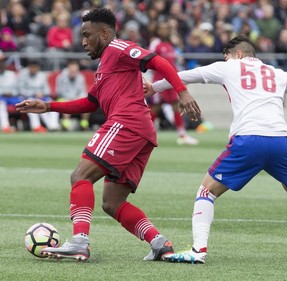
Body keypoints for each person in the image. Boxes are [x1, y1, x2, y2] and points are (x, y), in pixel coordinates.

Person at [143, 35, 287, 264]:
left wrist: (154, 87)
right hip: (282, 141)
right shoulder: (278, 74)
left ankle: (198, 250)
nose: (226, 59)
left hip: (249, 140)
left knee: (206, 191)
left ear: (238, 54)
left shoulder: (228, 67)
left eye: (227, 56)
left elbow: (183, 76)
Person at [16, 8, 201, 262]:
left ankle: (80, 241)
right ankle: (159, 243)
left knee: (80, 175)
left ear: (104, 32)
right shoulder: (105, 66)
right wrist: (48, 106)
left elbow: (158, 61)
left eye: (87, 35)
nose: (82, 42)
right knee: (112, 202)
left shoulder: (117, 48)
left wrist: (182, 92)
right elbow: (90, 103)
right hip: (142, 131)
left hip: (127, 123)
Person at [148, 21, 199, 145]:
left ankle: (182, 135)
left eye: (166, 28)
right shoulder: (155, 44)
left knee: (176, 106)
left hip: (171, 81)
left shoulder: (170, 44)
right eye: (162, 28)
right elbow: (149, 61)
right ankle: (146, 133)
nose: (164, 31)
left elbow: (174, 63)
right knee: (154, 108)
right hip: (159, 81)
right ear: (157, 30)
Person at [17, 59, 60, 132]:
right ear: (29, 67)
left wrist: (41, 93)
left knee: (53, 104)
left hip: (42, 97)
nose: (33, 69)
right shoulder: (23, 75)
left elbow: (47, 90)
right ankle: (36, 126)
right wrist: (34, 93)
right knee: (30, 104)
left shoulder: (41, 75)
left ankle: (53, 125)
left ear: (38, 68)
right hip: (28, 97)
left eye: (35, 67)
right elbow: (20, 90)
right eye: (32, 67)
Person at [55, 60, 90, 131]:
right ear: (68, 69)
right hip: (64, 98)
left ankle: (84, 124)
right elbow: (59, 92)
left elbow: (83, 91)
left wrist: (77, 98)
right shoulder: (61, 77)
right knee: (65, 102)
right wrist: (71, 98)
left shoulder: (80, 77)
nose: (74, 72)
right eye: (72, 70)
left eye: (75, 70)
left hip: (76, 98)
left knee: (87, 102)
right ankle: (66, 125)